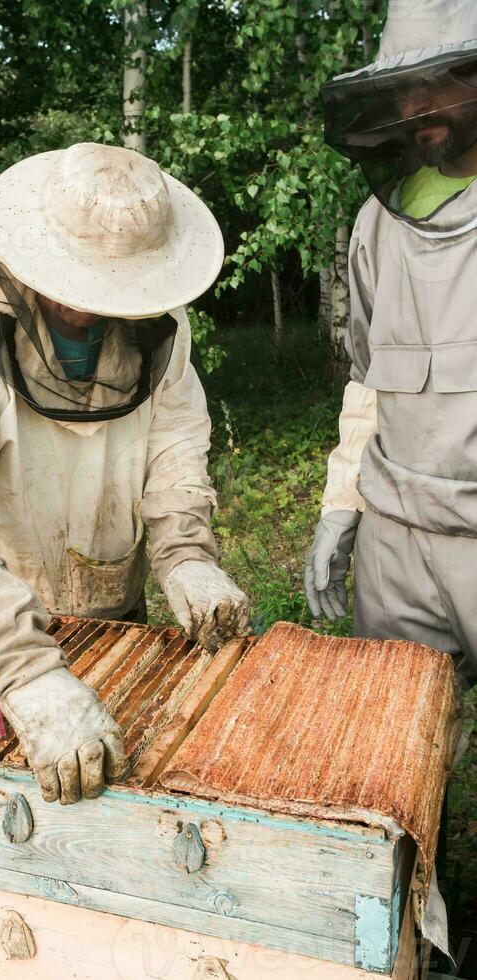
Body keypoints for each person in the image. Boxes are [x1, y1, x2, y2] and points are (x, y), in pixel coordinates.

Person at [0, 142, 251, 806]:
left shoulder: (159, 329)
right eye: (71, 287)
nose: (84, 311)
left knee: (120, 799)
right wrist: (27, 679)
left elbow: (175, 443)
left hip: (118, 610)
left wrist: (185, 552)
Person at [305, 0, 477, 692]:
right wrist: (341, 506)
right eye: (401, 87)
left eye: (437, 81)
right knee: (393, 758)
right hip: (396, 543)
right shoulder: (376, 221)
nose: (415, 105)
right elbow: (367, 384)